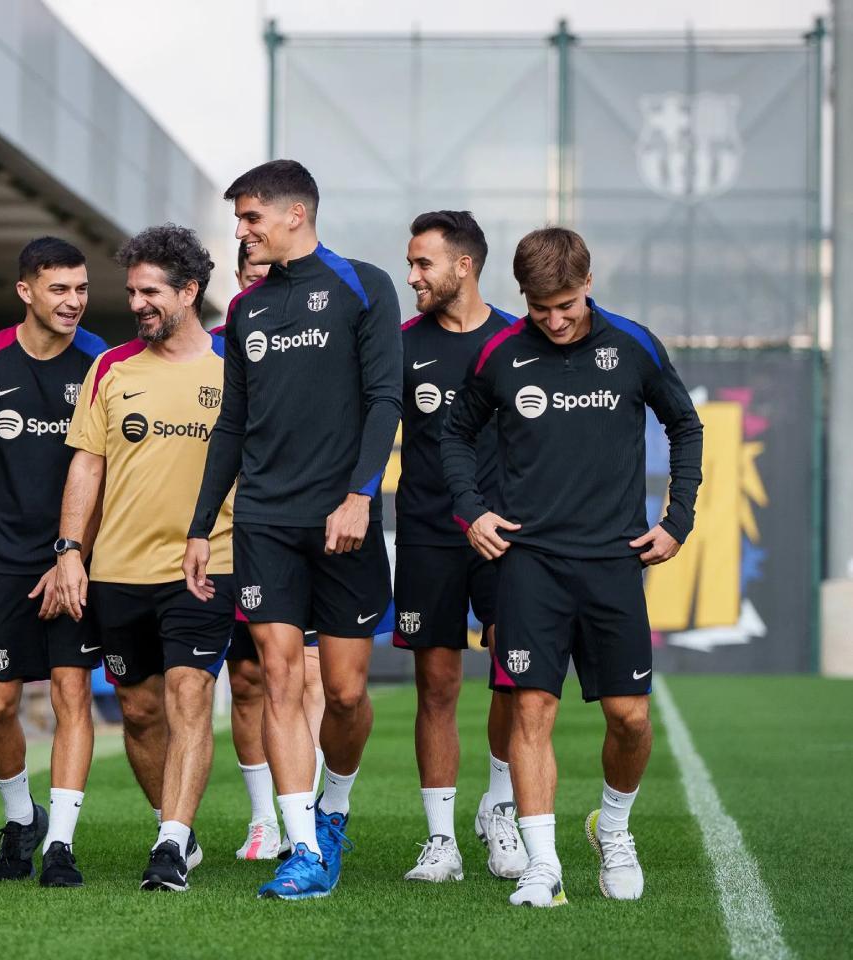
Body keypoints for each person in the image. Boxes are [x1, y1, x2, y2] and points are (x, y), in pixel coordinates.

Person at [441, 226, 702, 907]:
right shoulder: (500, 353)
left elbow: (685, 425)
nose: (554, 320)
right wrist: (472, 511)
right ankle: (542, 864)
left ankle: (611, 828)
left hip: (614, 563)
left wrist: (678, 520)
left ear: (587, 284)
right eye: (538, 307)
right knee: (532, 709)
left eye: (565, 304)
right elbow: (454, 434)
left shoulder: (634, 345)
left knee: (630, 719)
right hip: (528, 564)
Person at [185, 159, 401, 900]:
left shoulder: (363, 285)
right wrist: (199, 524)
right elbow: (231, 426)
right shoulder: (246, 313)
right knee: (278, 675)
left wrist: (359, 495)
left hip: (343, 520)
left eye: (250, 218)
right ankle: (302, 847)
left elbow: (383, 400)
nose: (242, 233)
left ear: (293, 216)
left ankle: (333, 809)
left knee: (342, 694)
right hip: (265, 522)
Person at [57, 224, 233, 892]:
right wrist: (71, 550)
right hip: (116, 572)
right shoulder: (111, 369)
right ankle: (175, 828)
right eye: (132, 292)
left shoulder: (233, 369)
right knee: (137, 710)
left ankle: (168, 844)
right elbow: (87, 464)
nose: (138, 304)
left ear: (190, 292)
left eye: (151, 291)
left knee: (190, 693)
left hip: (205, 565)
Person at [0, 237, 107, 887]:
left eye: (82, 288)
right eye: (60, 288)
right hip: (2, 563)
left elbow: (109, 473)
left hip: (77, 562)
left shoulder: (100, 361)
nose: (73, 301)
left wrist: (76, 556)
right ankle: (21, 818)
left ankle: (60, 843)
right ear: (26, 292)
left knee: (71, 692)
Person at [393, 211, 526, 882]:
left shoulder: (516, 340)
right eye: (410, 263)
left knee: (513, 673)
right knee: (437, 684)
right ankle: (441, 840)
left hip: (506, 536)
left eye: (423, 264)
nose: (411, 275)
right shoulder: (401, 343)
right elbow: (365, 435)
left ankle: (499, 809)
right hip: (425, 531)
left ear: (463, 267)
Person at [220, 242, 323, 862]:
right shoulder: (216, 344)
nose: (263, 281)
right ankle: (265, 819)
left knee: (309, 677)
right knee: (248, 678)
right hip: (233, 539)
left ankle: (303, 813)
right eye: (253, 273)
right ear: (239, 278)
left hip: (294, 534)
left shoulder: (313, 343)